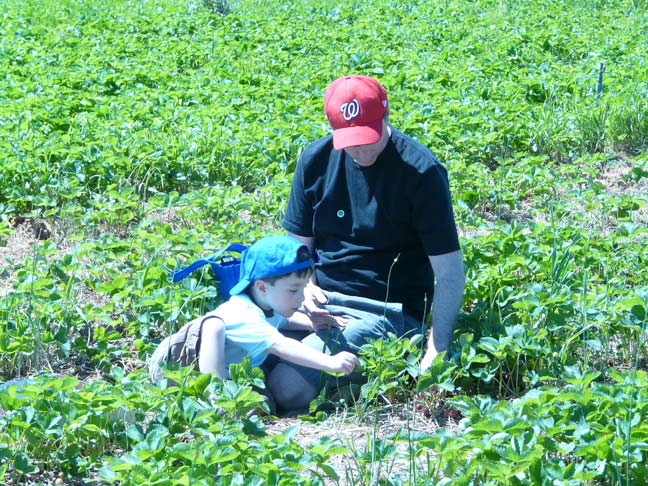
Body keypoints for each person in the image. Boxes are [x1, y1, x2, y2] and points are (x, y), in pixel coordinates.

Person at [267, 75, 465, 411]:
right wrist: (306, 289)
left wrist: (436, 351)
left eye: (367, 138)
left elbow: (449, 273)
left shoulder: (421, 172)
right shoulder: (315, 160)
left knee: (289, 385)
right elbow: (298, 253)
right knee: (230, 343)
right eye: (349, 141)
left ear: (387, 117)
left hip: (386, 312)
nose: (359, 150)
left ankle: (276, 395)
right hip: (320, 305)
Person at [148, 235, 360, 412]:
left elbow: (284, 321)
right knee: (214, 325)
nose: (301, 298)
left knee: (263, 405)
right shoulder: (243, 314)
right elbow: (281, 345)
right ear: (261, 287)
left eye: (304, 288)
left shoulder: (269, 304)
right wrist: (329, 362)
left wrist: (311, 325)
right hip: (176, 365)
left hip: (233, 370)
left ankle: (228, 397)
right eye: (294, 290)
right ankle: (216, 399)